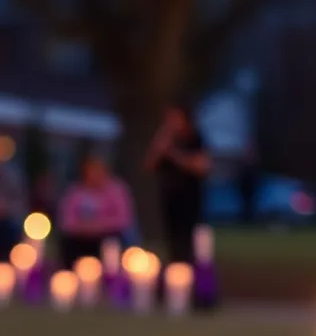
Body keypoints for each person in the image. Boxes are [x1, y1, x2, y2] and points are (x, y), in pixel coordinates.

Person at [145, 103, 211, 264]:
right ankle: (175, 267)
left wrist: (173, 153)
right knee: (172, 238)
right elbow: (149, 166)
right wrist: (158, 148)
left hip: (190, 198)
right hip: (169, 197)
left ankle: (191, 269)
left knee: (189, 238)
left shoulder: (195, 139)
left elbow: (202, 166)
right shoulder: (164, 139)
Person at [57, 153, 134, 267]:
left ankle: (112, 276)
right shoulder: (75, 193)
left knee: (112, 243)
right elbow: (66, 221)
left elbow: (123, 219)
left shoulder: (117, 190)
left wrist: (98, 226)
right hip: (80, 238)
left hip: (107, 237)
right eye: (91, 170)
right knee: (68, 243)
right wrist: (84, 228)